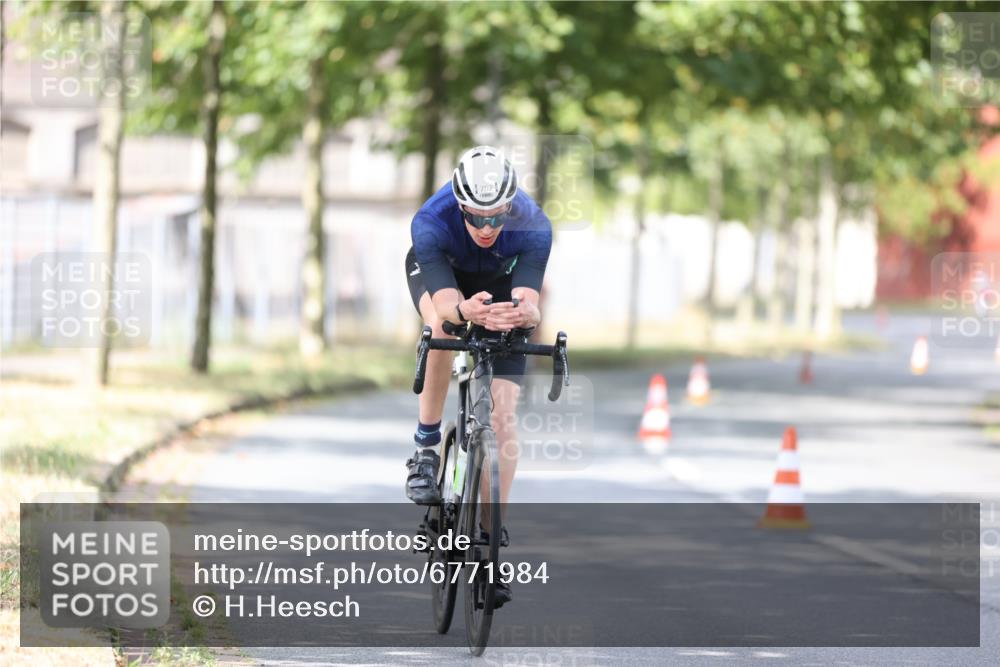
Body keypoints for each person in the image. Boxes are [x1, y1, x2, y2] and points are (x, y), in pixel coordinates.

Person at [403, 145, 553, 606]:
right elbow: (448, 303)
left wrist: (527, 312)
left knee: (503, 419)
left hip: (502, 288)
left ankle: (489, 544)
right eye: (476, 217)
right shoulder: (432, 220)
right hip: (444, 279)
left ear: (511, 206)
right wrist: (464, 313)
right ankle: (427, 446)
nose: (487, 228)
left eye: (497, 217)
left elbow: (529, 297)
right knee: (441, 328)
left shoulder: (534, 225)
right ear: (460, 203)